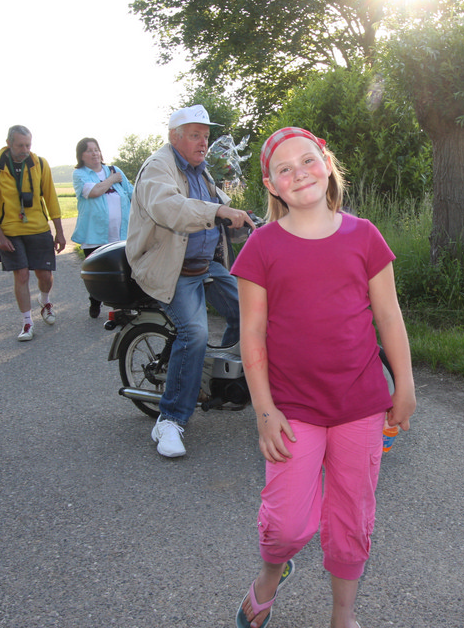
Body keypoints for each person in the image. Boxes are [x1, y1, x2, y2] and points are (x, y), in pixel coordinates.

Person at [230, 127, 416, 628]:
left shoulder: (365, 235)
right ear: (271, 185)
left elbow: (389, 316)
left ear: (327, 163)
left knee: (352, 519)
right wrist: (264, 412)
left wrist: (404, 383)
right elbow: (252, 335)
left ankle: (343, 615)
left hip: (361, 404)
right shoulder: (262, 247)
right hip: (292, 409)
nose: (299, 174)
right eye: (284, 169)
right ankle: (271, 574)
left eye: (308, 160)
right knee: (287, 526)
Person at [125, 105, 255, 458]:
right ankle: (170, 420)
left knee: (251, 311)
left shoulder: (201, 171)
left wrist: (247, 221)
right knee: (194, 332)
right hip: (170, 267)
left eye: (206, 136)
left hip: (205, 264)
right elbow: (171, 208)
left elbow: (218, 211)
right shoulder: (158, 167)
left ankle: (224, 380)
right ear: (174, 137)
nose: (203, 143)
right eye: (195, 135)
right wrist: (217, 211)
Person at [0, 125, 66, 341]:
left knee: (44, 275)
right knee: (22, 274)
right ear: (8, 143)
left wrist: (59, 232)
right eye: (20, 145)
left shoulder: (40, 164)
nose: (25, 150)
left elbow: (51, 198)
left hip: (38, 228)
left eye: (28, 145)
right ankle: (27, 322)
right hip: (10, 232)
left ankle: (45, 301)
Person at [71, 137, 134, 318]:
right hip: (94, 235)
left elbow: (132, 193)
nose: (94, 154)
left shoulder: (115, 170)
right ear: (81, 155)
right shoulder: (80, 174)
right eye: (89, 150)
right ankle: (95, 300)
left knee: (122, 273)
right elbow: (94, 192)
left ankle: (122, 309)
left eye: (96, 149)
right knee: (98, 274)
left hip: (121, 234)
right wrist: (112, 179)